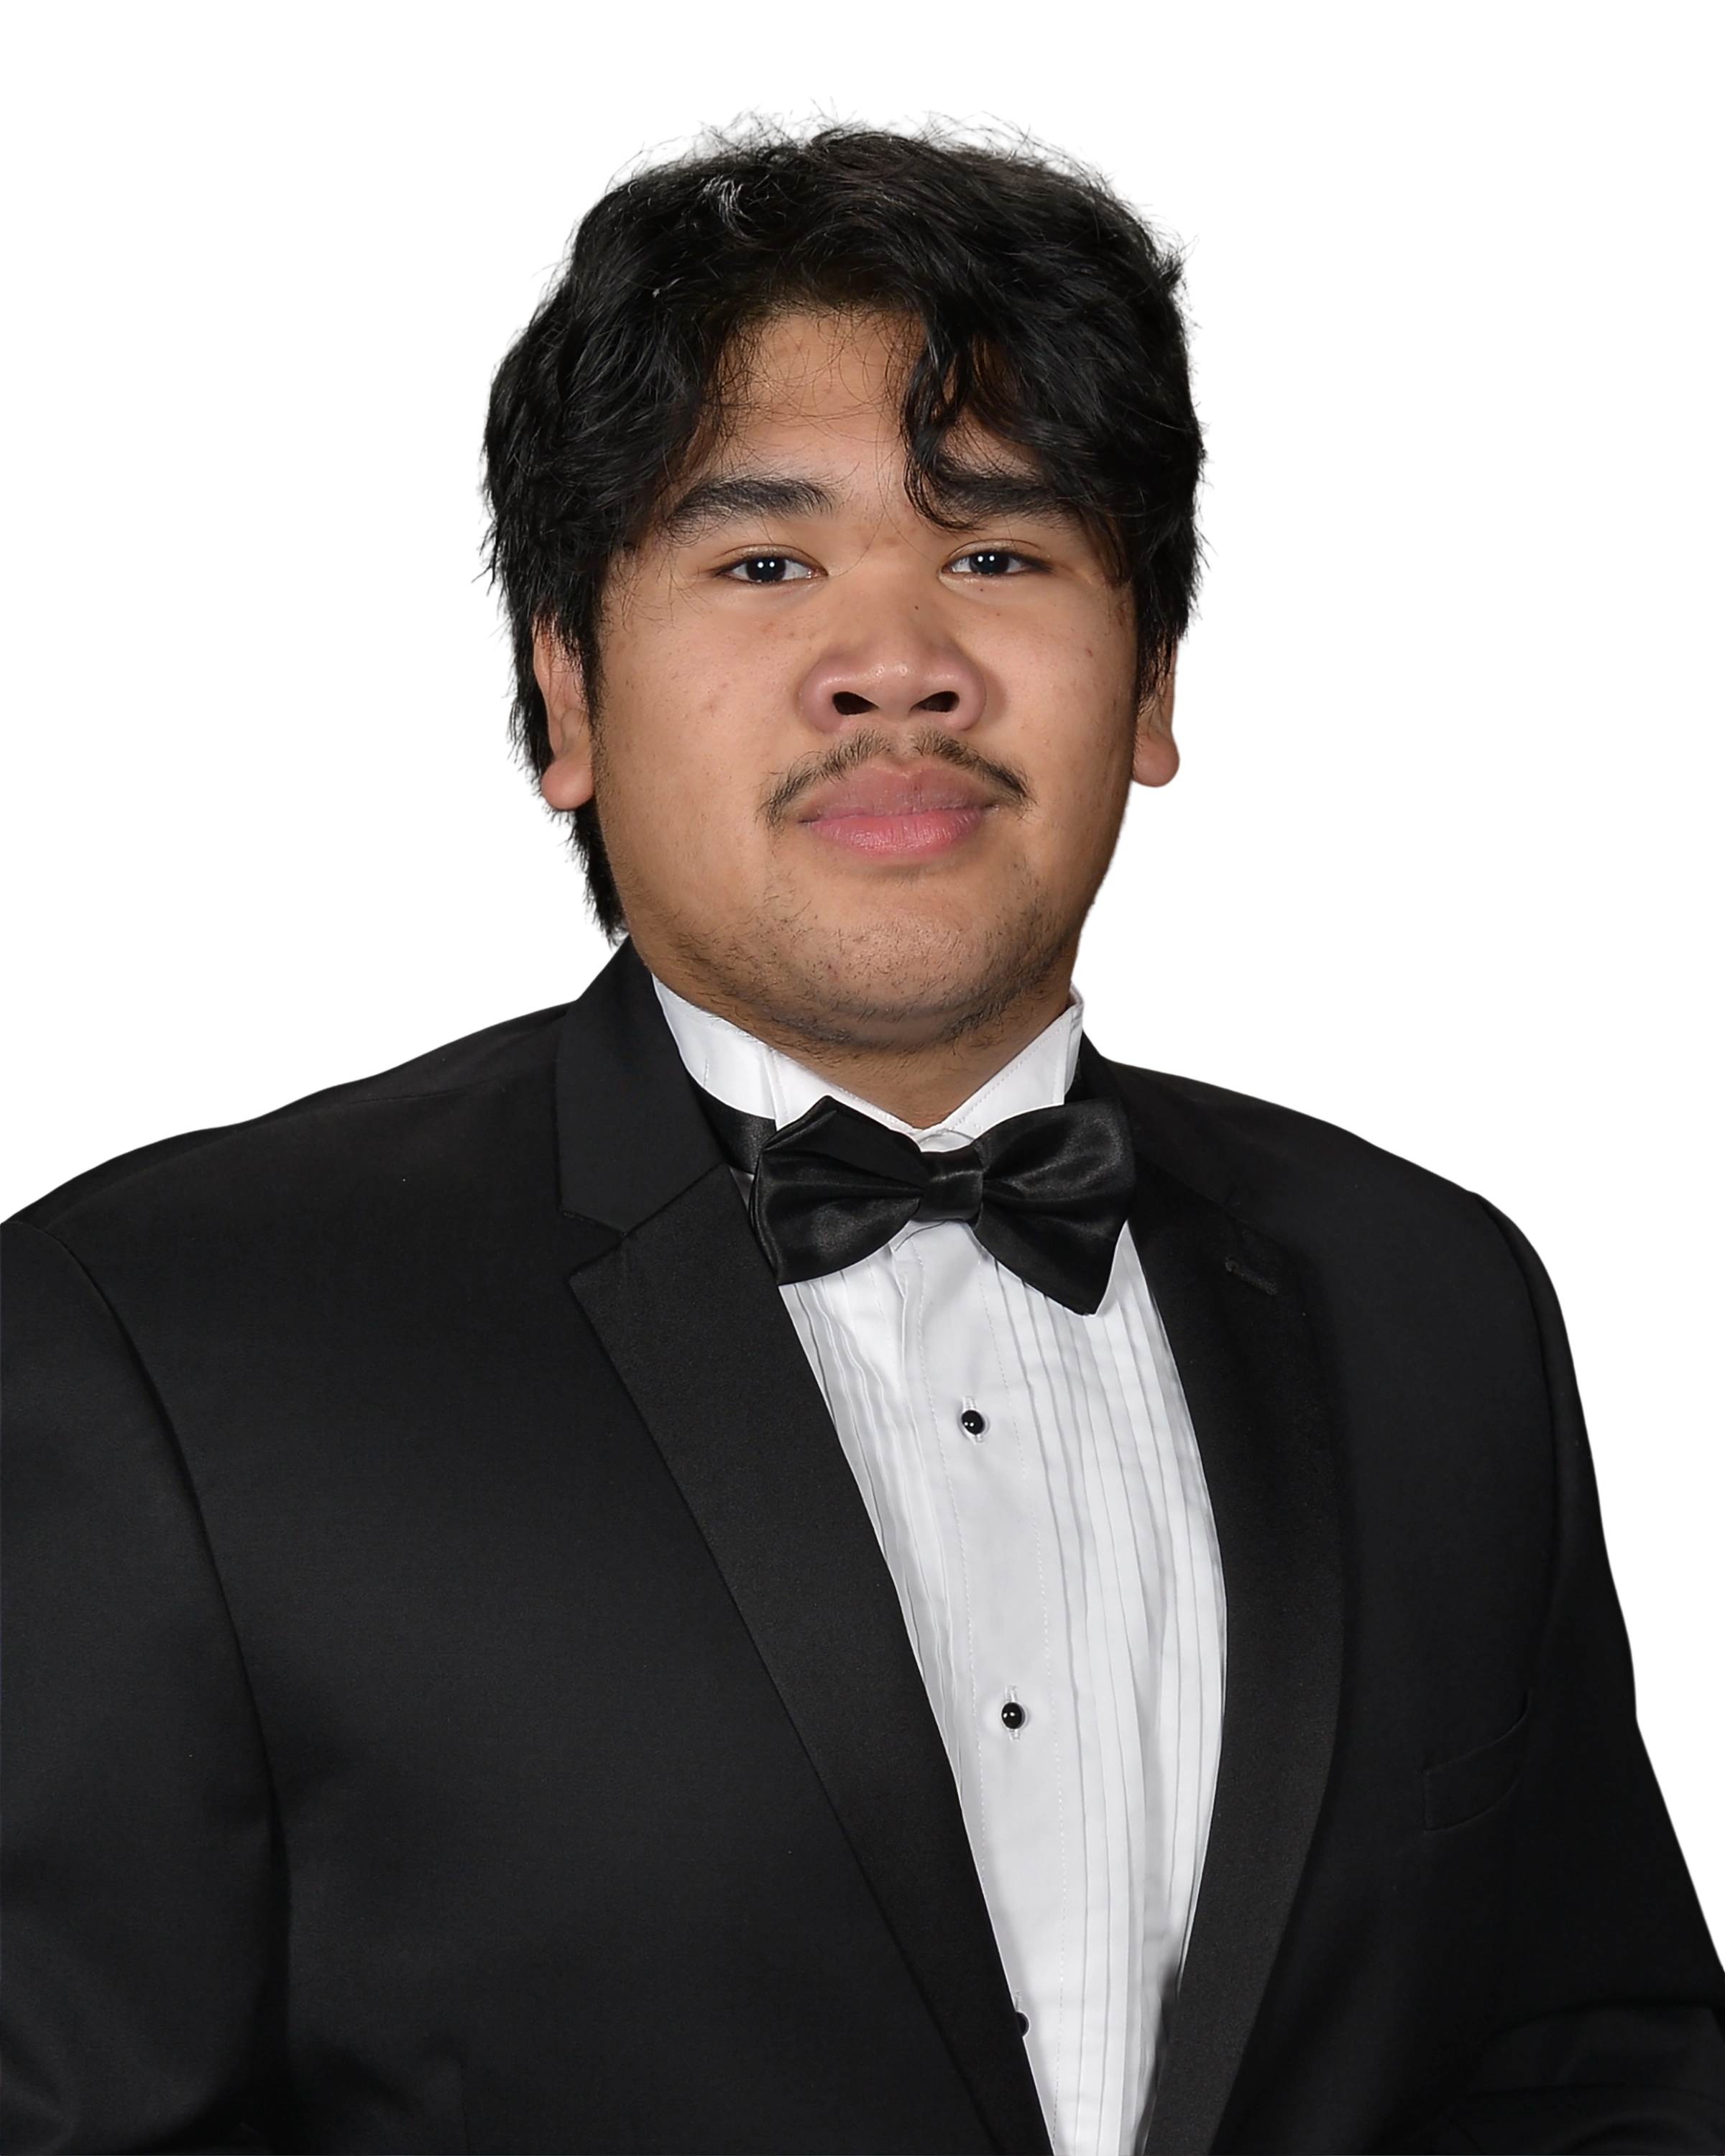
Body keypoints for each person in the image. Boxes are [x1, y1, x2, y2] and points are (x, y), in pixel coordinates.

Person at [4, 98, 1721, 2156]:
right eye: (765, 559)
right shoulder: (154, 1332)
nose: (896, 666)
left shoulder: (1436, 1295)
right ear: (568, 693)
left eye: (998, 552)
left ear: (1155, 685)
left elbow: (1602, 2074)